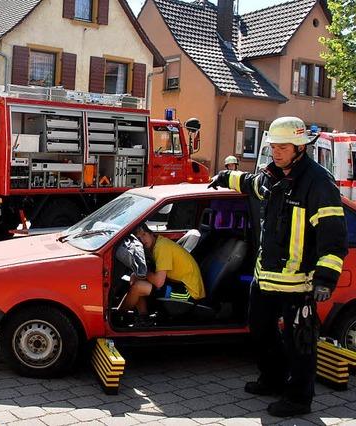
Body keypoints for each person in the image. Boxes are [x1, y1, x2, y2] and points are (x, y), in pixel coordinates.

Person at [209, 116, 348, 417]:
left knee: (301, 343)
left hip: (299, 284)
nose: (276, 152)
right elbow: (249, 183)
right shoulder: (271, 176)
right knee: (260, 332)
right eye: (273, 146)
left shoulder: (317, 183)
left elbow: (333, 235)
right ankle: (271, 380)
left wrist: (325, 278)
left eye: (283, 147)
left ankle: (299, 399)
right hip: (265, 279)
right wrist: (224, 178)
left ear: (300, 148)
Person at [119, 222, 205, 323]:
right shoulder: (156, 245)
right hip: (176, 284)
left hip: (189, 293)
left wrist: (143, 271)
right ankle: (144, 317)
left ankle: (118, 316)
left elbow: (158, 282)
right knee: (135, 277)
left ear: (151, 233)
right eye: (138, 238)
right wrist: (140, 273)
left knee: (138, 286)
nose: (142, 240)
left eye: (144, 235)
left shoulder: (161, 247)